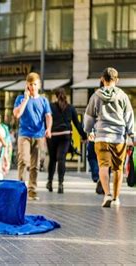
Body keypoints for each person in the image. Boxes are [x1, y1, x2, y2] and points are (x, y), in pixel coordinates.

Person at [84, 67, 134, 207]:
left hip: (101, 138)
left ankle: (107, 194)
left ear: (102, 79)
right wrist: (132, 135)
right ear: (116, 80)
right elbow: (129, 117)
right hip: (118, 138)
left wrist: (89, 131)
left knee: (103, 166)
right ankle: (116, 198)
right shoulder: (123, 96)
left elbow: (88, 118)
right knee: (118, 168)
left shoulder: (95, 96)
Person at [13, 72, 52, 200]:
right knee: (23, 161)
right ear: (27, 85)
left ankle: (32, 191)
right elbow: (17, 115)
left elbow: (48, 116)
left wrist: (49, 129)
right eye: (30, 84)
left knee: (35, 166)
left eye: (35, 84)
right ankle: (20, 190)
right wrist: (26, 99)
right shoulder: (20, 99)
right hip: (24, 134)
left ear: (39, 85)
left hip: (38, 135)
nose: (33, 87)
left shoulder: (44, 100)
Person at [47, 88, 87, 193]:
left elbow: (45, 119)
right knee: (61, 159)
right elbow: (77, 124)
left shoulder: (51, 107)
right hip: (65, 136)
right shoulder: (70, 108)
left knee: (52, 159)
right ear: (66, 96)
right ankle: (60, 184)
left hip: (53, 136)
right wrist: (84, 136)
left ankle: (50, 182)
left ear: (56, 96)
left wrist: (46, 131)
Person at [0, 112, 12, 179]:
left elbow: (8, 138)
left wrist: (7, 148)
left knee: (1, 163)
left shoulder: (4, 127)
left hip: (2, 148)